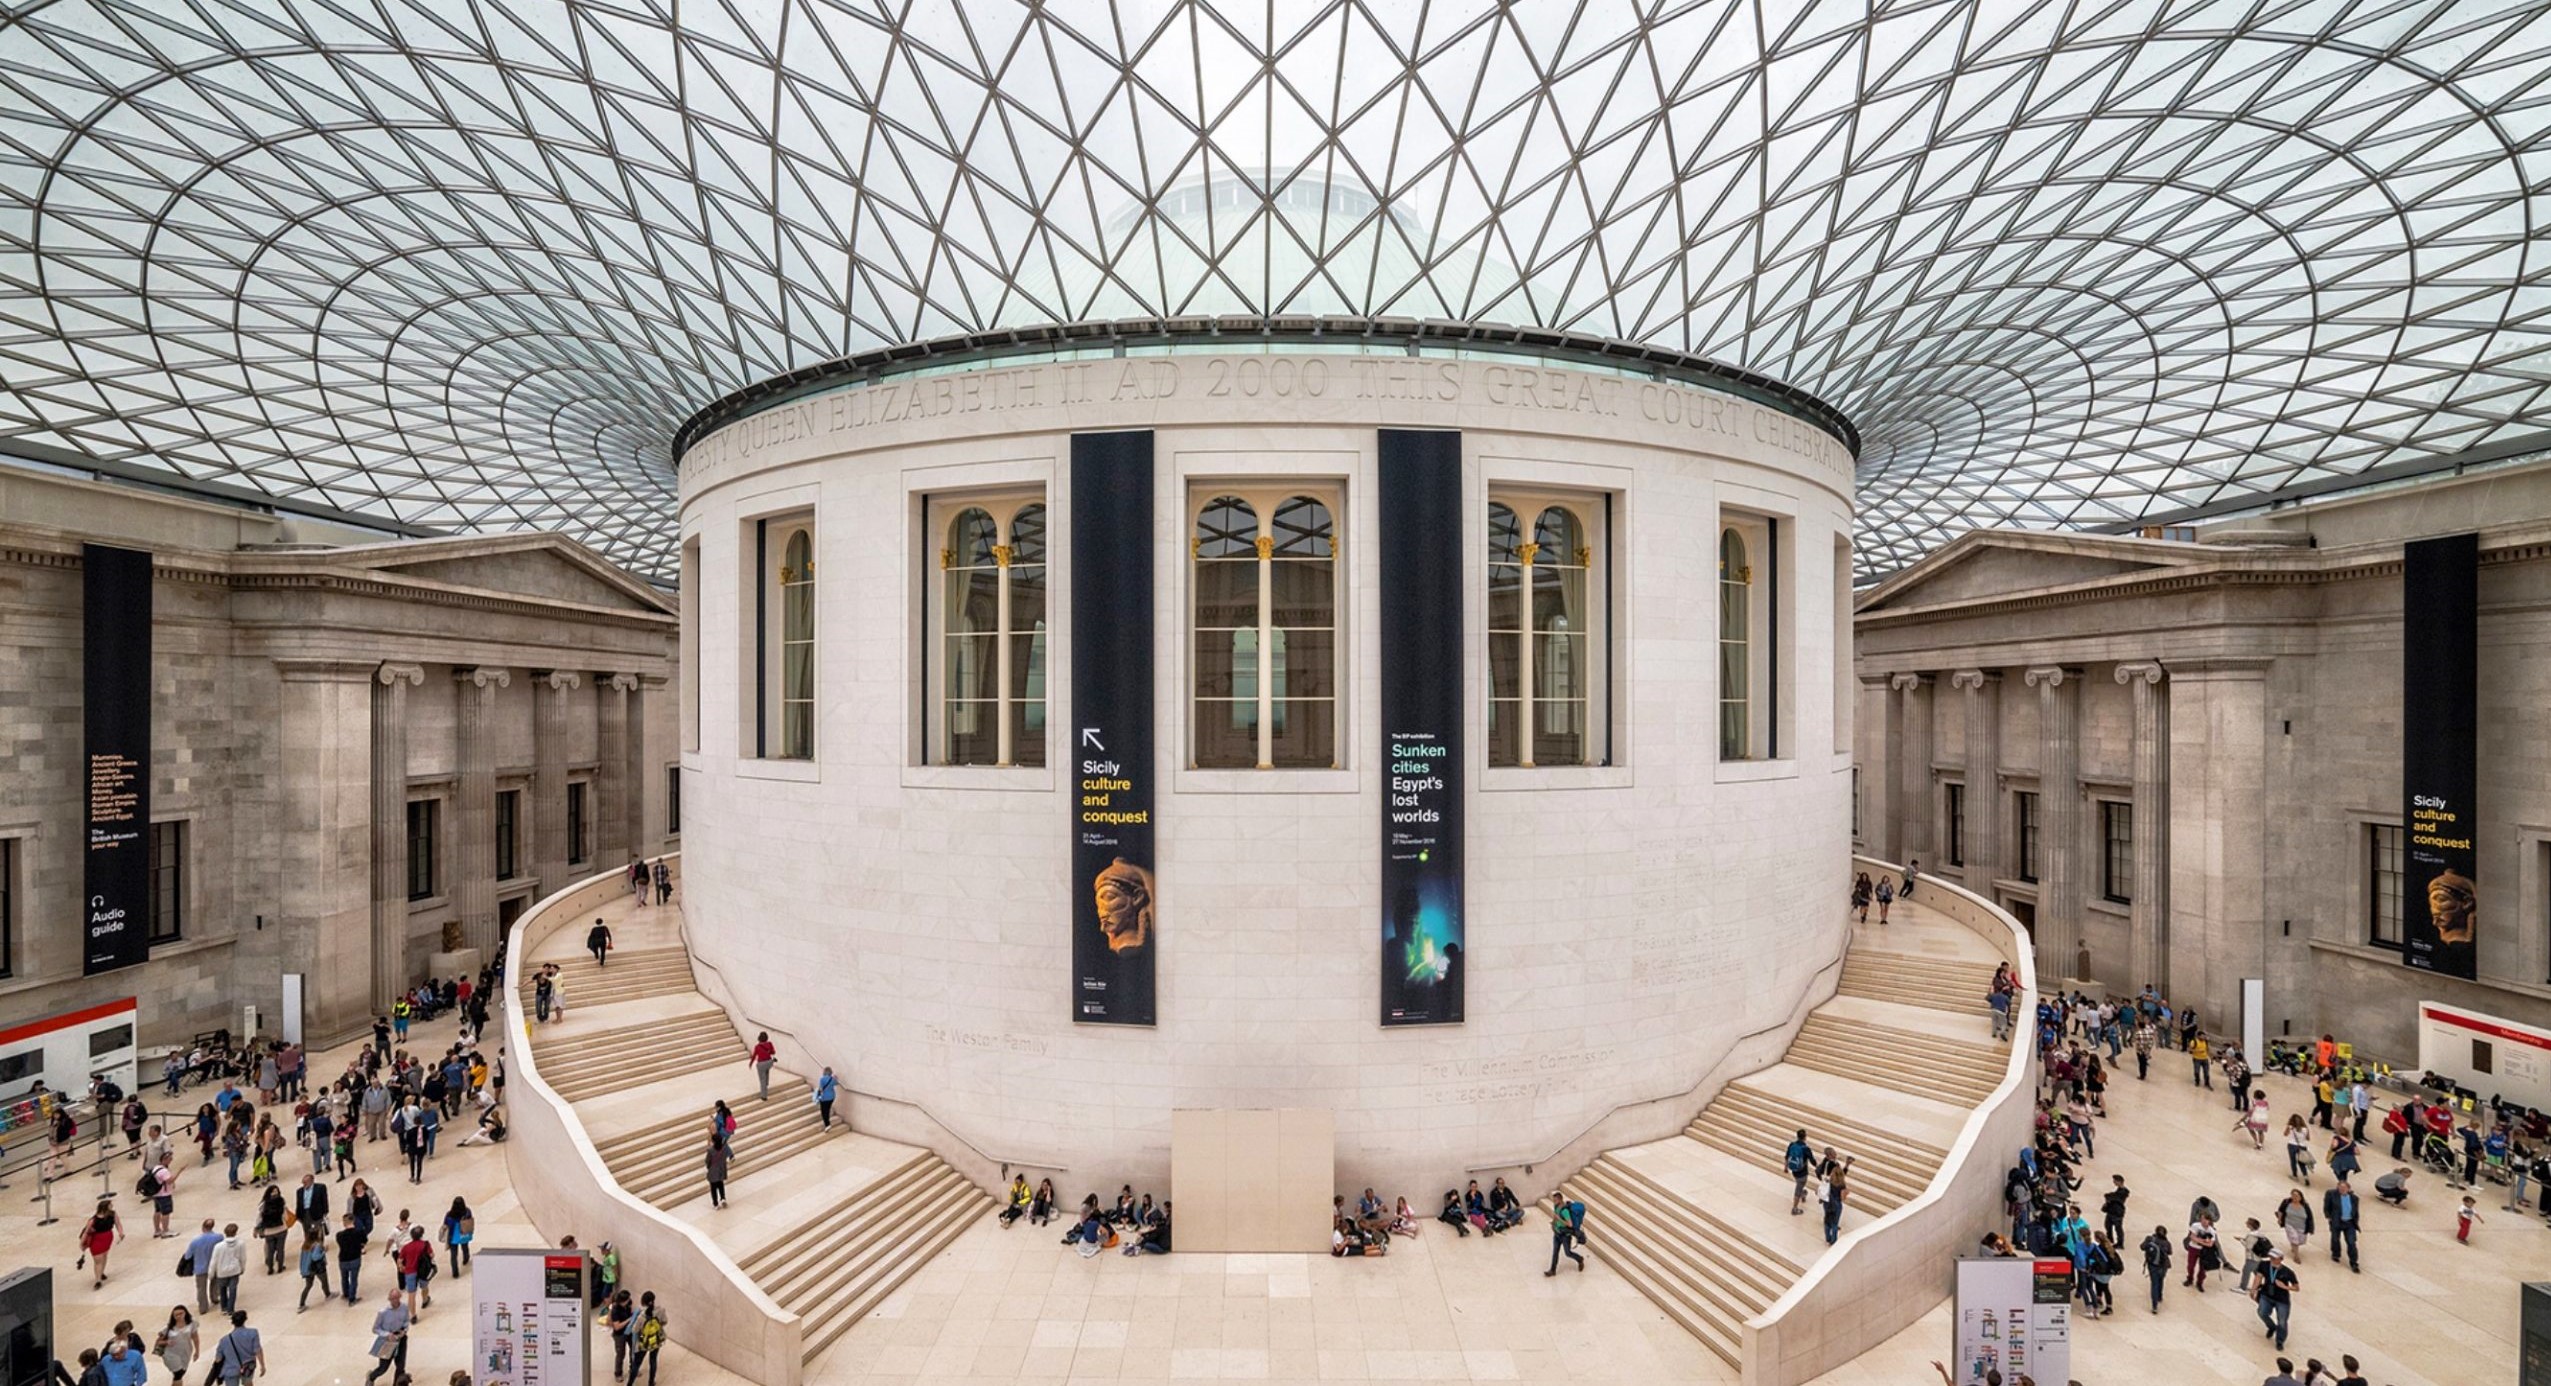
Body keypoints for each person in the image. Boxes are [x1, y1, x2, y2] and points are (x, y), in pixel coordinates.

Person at [2253, 1248, 2297, 1350]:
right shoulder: (2264, 1265)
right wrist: (2253, 1289)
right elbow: (2259, 1277)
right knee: (2262, 1312)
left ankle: (2280, 1341)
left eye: (2274, 1258)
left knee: (2282, 1321)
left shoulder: (2287, 1272)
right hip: (2266, 1295)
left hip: (2281, 1299)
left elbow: (2296, 1287)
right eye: (2271, 1257)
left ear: (2281, 1259)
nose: (2271, 1259)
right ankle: (2272, 1327)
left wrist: (2285, 1287)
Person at [364, 1289, 410, 1384]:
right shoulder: (383, 1313)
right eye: (393, 1298)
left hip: (400, 1339)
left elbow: (406, 1321)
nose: (395, 1301)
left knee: (400, 1365)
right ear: (389, 1299)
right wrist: (387, 1334)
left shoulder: (404, 1307)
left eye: (397, 1298)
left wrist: (404, 1330)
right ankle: (371, 1377)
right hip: (387, 1341)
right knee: (383, 1367)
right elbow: (375, 1329)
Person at [206, 1312, 261, 1386]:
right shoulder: (253, 1333)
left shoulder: (224, 1340)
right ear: (245, 1320)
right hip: (248, 1367)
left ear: (232, 1322)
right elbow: (257, 1350)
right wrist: (262, 1365)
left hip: (230, 1370)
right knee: (248, 1383)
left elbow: (218, 1359)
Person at [628, 1292, 668, 1386]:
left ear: (643, 1302)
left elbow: (634, 1330)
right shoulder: (661, 1310)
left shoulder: (641, 1316)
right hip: (656, 1339)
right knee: (653, 1360)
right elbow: (665, 1321)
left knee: (637, 1363)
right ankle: (651, 1382)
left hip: (643, 1340)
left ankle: (630, 1384)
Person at [206, 1224, 245, 1315]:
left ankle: (224, 1308)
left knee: (222, 1290)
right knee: (233, 1290)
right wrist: (242, 1268)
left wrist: (211, 1273)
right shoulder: (240, 1244)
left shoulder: (218, 1246)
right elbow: (243, 1258)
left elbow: (214, 1261)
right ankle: (230, 1309)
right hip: (235, 1270)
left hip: (221, 1271)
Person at [154, 1306, 198, 1386]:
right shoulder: (168, 1328)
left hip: (186, 1352)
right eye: (176, 1315)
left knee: (181, 1373)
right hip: (171, 1354)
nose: (179, 1316)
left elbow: (195, 1337)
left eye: (181, 1313)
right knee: (178, 1374)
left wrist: (197, 1351)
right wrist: (167, 1342)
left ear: (185, 1313)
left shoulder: (192, 1324)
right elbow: (158, 1342)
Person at [2322, 1181, 2360, 1272]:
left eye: (2344, 1188)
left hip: (2349, 1223)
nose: (2342, 1190)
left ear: (2348, 1188)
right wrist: (2328, 1217)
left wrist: (2356, 1220)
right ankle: (2336, 1254)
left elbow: (2356, 1211)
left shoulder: (2354, 1198)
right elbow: (2326, 1207)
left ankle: (2354, 1262)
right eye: (2340, 1188)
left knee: (2351, 1242)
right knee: (2335, 1239)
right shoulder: (2331, 1195)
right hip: (2337, 1221)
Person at [1544, 1197, 1586, 1275]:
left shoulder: (1565, 1211)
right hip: (1557, 1233)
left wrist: (1559, 1219)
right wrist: (1553, 1224)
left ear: (1560, 1200)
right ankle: (1553, 1270)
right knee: (1555, 1252)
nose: (1554, 1202)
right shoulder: (1556, 1207)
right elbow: (1555, 1216)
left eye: (1555, 1200)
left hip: (1565, 1236)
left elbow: (1570, 1224)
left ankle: (1580, 1259)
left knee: (1568, 1253)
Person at [2138, 1223, 2172, 1313]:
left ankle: (2154, 1306)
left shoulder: (2150, 1239)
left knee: (2154, 1284)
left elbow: (2142, 1247)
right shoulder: (2166, 1243)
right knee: (2161, 1280)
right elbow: (2170, 1252)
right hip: (2163, 1265)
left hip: (2152, 1265)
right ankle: (2159, 1296)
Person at [296, 1228, 333, 1310]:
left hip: (307, 1269)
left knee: (308, 1286)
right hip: (317, 1268)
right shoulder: (317, 1245)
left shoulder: (305, 1245)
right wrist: (324, 1252)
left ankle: (301, 1304)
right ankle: (328, 1294)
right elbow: (315, 1257)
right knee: (324, 1281)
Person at [443, 1197, 474, 1276]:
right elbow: (470, 1219)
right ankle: (466, 1259)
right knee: (465, 1247)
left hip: (453, 1237)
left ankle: (455, 1272)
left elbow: (446, 1224)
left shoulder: (449, 1215)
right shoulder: (467, 1212)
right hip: (464, 1234)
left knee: (453, 1255)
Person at [1785, 1128, 1814, 1215]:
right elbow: (1812, 1161)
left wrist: (1786, 1167)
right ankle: (1795, 1208)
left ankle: (1803, 1193)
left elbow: (1787, 1156)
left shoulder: (1792, 1145)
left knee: (1799, 1184)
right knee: (1799, 1187)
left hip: (1794, 1170)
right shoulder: (1806, 1148)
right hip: (1803, 1172)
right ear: (1805, 1137)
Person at [2278, 1188, 2314, 1254]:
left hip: (2301, 1226)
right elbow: (2280, 1211)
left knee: (2300, 1241)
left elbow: (2310, 1217)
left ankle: (2294, 1247)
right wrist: (2279, 1219)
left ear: (2300, 1197)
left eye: (2297, 1196)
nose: (2294, 1197)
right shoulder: (2286, 1202)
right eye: (2293, 1195)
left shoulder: (2305, 1206)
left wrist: (2311, 1229)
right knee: (2294, 1238)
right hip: (2289, 1224)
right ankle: (2296, 1256)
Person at [2100, 1175, 2129, 1247]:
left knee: (2118, 1228)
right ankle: (2110, 1239)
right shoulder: (2119, 1190)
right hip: (2111, 1211)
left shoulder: (2124, 1191)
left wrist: (2109, 1196)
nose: (2114, 1182)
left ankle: (2120, 1243)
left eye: (2115, 1181)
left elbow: (2114, 1197)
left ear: (2119, 1181)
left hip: (2117, 1213)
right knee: (2107, 1225)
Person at [748, 1033, 777, 1101]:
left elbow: (754, 1056)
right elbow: (773, 1052)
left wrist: (751, 1063)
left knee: (762, 1080)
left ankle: (764, 1096)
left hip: (761, 1064)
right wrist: (768, 1052)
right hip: (769, 1062)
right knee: (766, 1073)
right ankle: (766, 1085)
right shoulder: (770, 1044)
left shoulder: (757, 1046)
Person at [705, 1134, 729, 1209]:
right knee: (721, 1185)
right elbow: (725, 1157)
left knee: (713, 1188)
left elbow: (707, 1161)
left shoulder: (711, 1150)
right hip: (721, 1169)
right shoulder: (724, 1148)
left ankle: (716, 1204)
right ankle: (723, 1198)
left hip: (713, 1171)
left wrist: (708, 1167)